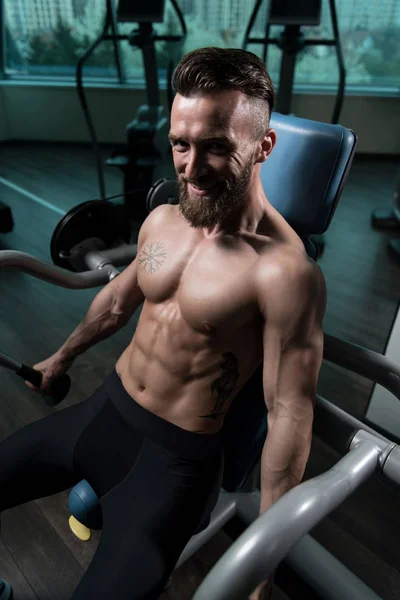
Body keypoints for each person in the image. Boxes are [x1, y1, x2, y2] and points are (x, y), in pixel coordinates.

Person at [0, 47, 326, 600]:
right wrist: (62, 357)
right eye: (181, 144)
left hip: (172, 468)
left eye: (216, 147)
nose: (191, 168)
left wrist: (263, 566)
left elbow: (289, 418)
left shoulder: (284, 273)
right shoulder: (162, 220)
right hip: (102, 412)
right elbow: (115, 303)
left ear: (263, 146)